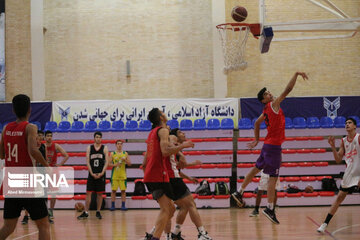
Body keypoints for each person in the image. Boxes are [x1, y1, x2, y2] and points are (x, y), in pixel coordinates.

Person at [231, 72, 308, 224]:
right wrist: (296, 74)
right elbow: (288, 89)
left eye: (268, 91)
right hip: (273, 147)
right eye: (266, 94)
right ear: (263, 100)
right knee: (273, 178)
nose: (270, 93)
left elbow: (256, 124)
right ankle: (269, 208)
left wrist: (257, 139)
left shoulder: (265, 110)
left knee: (255, 169)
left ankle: (239, 192)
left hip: (267, 146)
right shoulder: (273, 105)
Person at [145, 130, 212, 240]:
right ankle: (202, 233)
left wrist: (189, 174)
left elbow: (177, 166)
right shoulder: (172, 137)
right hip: (172, 178)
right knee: (190, 204)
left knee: (172, 210)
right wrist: (182, 147)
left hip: (168, 178)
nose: (184, 134)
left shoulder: (169, 147)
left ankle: (167, 233)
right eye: (181, 132)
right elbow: (170, 148)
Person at [0, 94, 50, 240]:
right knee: (43, 225)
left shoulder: (6, 129)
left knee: (8, 227)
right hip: (27, 181)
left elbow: (2, 155)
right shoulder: (30, 127)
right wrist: (47, 166)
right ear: (30, 109)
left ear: (13, 110)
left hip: (11, 181)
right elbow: (33, 151)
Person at [142, 108, 194, 240]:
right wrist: (183, 146)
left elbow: (150, 155)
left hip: (155, 174)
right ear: (161, 117)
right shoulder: (163, 130)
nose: (165, 113)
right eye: (162, 112)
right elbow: (165, 151)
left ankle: (154, 235)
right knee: (167, 209)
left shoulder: (152, 132)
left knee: (170, 209)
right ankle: (155, 237)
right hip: (157, 174)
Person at [317, 117, 360, 233]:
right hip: (349, 174)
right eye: (346, 123)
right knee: (339, 199)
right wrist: (332, 146)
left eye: (350, 123)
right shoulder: (344, 141)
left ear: (355, 126)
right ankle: (325, 224)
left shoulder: (358, 137)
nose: (347, 124)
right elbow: (337, 159)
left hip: (359, 173)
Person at [21, 130, 54, 224]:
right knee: (30, 195)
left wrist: (48, 170)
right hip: (33, 173)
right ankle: (26, 216)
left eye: (41, 136)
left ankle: (46, 215)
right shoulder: (31, 147)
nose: (40, 137)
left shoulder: (44, 147)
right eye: (38, 135)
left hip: (42, 172)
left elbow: (46, 159)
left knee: (44, 195)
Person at [77, 131, 109, 220]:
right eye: (97, 137)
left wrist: (102, 173)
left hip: (101, 174)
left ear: (101, 138)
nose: (98, 138)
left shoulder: (105, 148)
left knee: (100, 194)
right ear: (94, 138)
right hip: (92, 173)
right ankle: (86, 212)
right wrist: (91, 173)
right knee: (88, 193)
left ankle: (98, 211)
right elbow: (87, 161)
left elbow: (107, 161)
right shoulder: (89, 148)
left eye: (99, 137)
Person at [44, 130, 69, 220]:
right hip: (44, 171)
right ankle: (44, 211)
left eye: (51, 135)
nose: (49, 137)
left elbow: (66, 155)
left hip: (54, 171)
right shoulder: (43, 146)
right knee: (44, 193)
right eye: (47, 136)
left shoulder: (56, 146)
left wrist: (60, 164)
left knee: (53, 193)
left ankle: (51, 210)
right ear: (45, 137)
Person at [109, 139, 131, 211]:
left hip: (122, 175)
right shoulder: (112, 154)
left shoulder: (125, 153)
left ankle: (123, 206)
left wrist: (125, 160)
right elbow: (108, 164)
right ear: (116, 145)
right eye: (118, 144)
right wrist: (115, 164)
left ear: (122, 145)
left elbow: (130, 164)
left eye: (121, 144)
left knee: (123, 191)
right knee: (113, 191)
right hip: (114, 175)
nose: (119, 145)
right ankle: (112, 206)